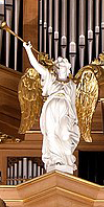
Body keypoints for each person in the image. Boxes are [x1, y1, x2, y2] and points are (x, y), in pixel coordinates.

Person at [22, 41, 80, 173]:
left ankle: (65, 158)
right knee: (51, 134)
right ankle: (57, 160)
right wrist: (28, 50)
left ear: (68, 68)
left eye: (62, 64)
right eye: (57, 64)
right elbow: (36, 66)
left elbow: (72, 104)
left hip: (65, 109)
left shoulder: (71, 85)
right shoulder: (50, 78)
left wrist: (75, 120)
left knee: (65, 134)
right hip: (51, 108)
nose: (59, 66)